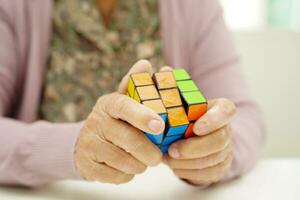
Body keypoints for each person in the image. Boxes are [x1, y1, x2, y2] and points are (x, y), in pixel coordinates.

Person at [0, 0, 265, 187]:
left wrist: (215, 152)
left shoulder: (194, 5)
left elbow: (245, 118)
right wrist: (73, 147)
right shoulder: (14, 6)